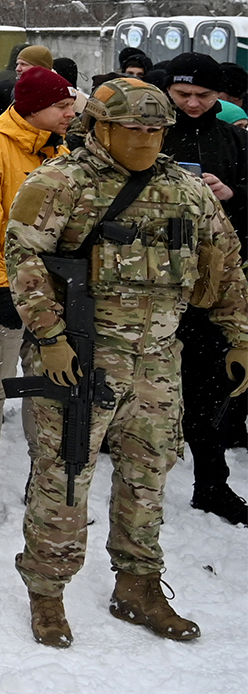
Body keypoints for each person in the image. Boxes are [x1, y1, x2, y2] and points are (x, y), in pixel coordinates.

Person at [8, 77, 248, 647]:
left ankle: (138, 586)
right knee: (64, 478)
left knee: (148, 476)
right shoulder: (59, 182)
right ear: (100, 128)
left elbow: (227, 260)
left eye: (153, 130)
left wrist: (240, 333)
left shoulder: (187, 191)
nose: (142, 139)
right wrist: (49, 337)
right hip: (78, 358)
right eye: (130, 129)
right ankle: (48, 592)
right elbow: (23, 260)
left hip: (159, 361)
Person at [0, 64, 72, 525]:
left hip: (54, 297)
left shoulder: (63, 153)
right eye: (61, 106)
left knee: (45, 387)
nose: (69, 114)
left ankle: (43, 479)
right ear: (35, 107)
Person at [156, 53, 248, 522]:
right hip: (147, 287)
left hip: (209, 289)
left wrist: (232, 194)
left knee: (209, 391)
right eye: (183, 94)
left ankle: (211, 483)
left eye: (204, 96)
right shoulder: (148, 132)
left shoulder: (233, 140)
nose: (192, 103)